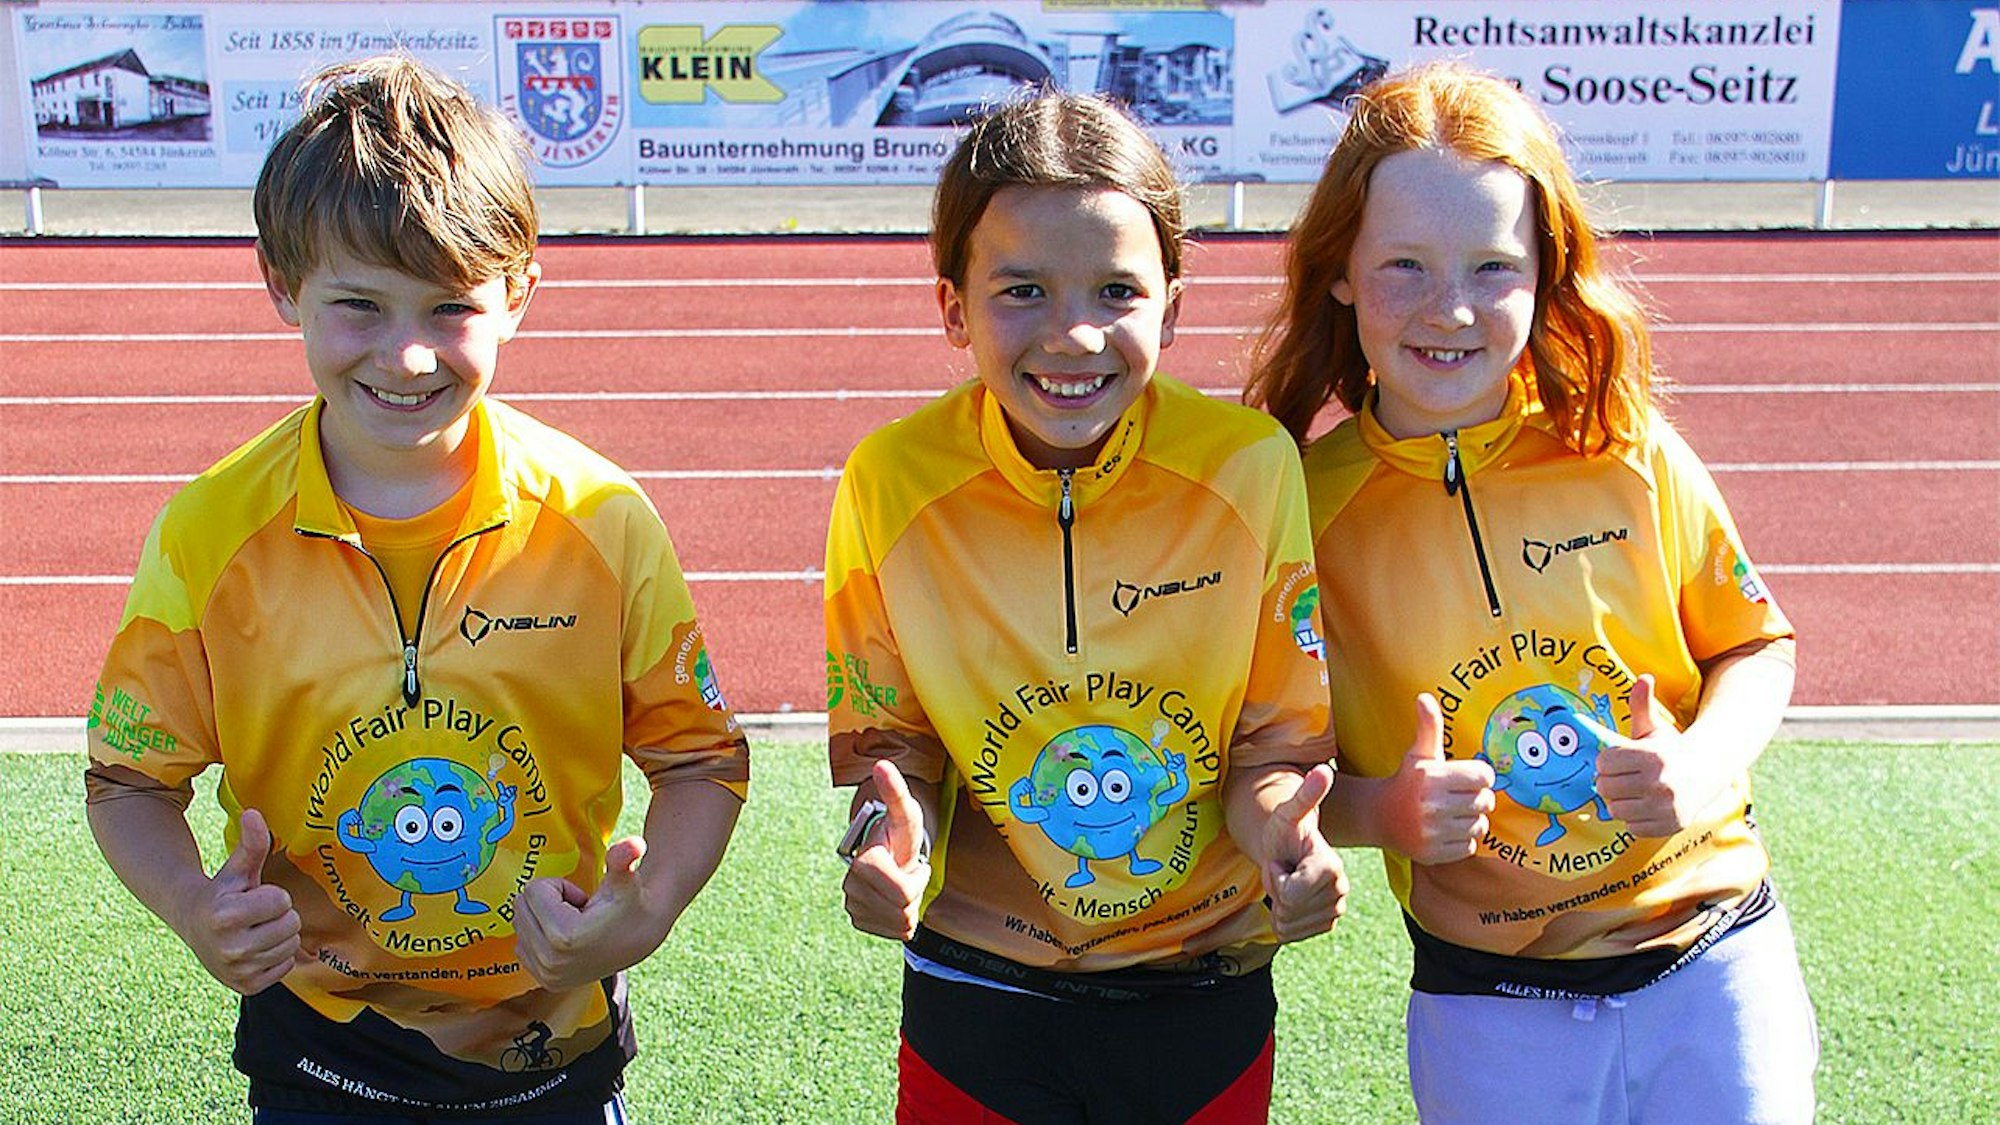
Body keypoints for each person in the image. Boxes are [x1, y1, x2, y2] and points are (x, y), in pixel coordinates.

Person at [83, 55, 749, 1121]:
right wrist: (192, 905)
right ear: (280, 284)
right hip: (318, 1057)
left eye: (449, 308)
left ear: (519, 289)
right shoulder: (210, 531)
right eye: (358, 305)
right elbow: (126, 782)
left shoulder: (602, 518)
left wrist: (650, 906)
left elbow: (699, 759)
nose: (405, 355)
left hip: (553, 1055)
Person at [1246, 62, 1818, 1123]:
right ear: (1336, 270)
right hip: (1487, 1008)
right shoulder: (1300, 513)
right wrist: (1385, 813)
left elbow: (1755, 645)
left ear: (1547, 269)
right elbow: (1278, 762)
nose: (1449, 308)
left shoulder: (1621, 444)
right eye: (1403, 266)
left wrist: (1696, 768)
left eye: (1491, 266)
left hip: (1715, 967)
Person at [823, 89, 1346, 1124]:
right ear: (950, 305)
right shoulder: (888, 482)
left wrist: (1286, 833)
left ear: (1173, 305)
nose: (1071, 336)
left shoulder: (1249, 469)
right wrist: (891, 841)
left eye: (1114, 291)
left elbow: (1269, 750)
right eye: (1020, 290)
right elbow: (895, 750)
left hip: (1201, 989)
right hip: (978, 990)